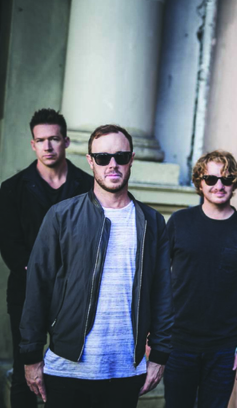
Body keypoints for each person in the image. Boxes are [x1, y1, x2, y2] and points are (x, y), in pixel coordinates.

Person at [19, 124, 173, 408]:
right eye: (102, 158)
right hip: (67, 367)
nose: (112, 164)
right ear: (90, 161)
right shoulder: (61, 216)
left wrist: (160, 355)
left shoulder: (152, 222)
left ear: (131, 159)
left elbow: (162, 292)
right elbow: (37, 287)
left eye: (120, 157)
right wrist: (31, 355)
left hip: (126, 370)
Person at [0, 108, 93, 408]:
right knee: (25, 370)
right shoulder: (12, 189)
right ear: (33, 144)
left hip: (74, 293)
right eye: (41, 140)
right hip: (27, 292)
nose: (48, 146)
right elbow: (9, 244)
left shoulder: (88, 186)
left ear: (66, 141)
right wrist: (39, 274)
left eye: (54, 139)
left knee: (71, 371)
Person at [163, 150, 237, 408]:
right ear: (199, 182)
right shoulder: (179, 222)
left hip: (224, 347)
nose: (219, 185)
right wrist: (154, 336)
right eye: (211, 179)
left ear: (234, 183)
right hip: (179, 342)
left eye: (226, 179)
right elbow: (159, 279)